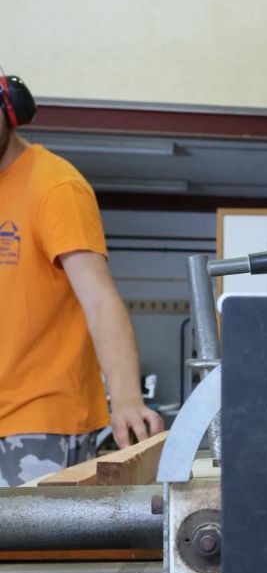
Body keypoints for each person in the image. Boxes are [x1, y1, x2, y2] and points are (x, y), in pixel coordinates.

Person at [0, 70, 163, 486]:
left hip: (38, 422)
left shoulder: (54, 186)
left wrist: (127, 400)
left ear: (9, 110)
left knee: (28, 552)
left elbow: (99, 299)